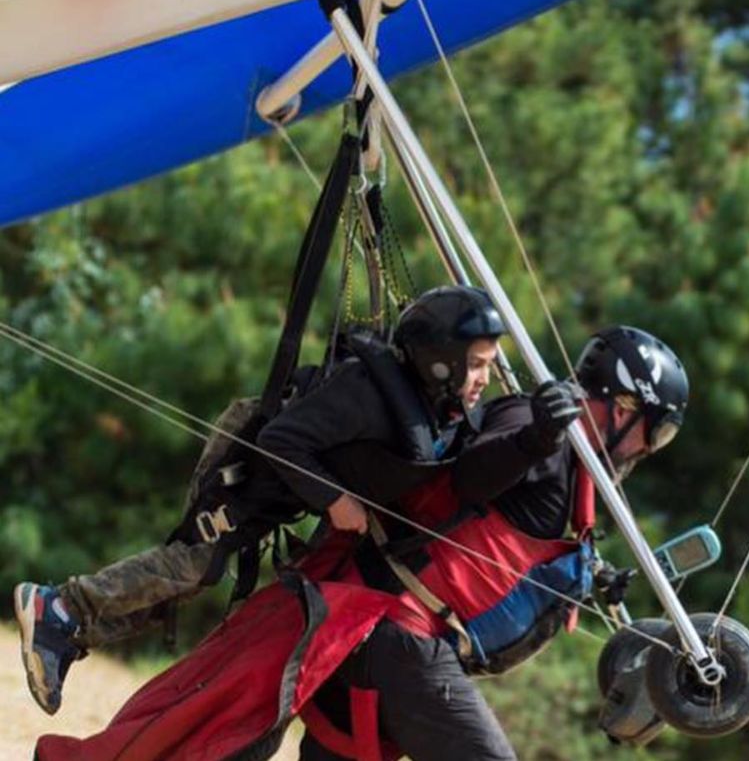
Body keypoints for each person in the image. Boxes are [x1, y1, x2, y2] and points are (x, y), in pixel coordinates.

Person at [34, 325, 689, 761]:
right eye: (651, 433)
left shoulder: (574, 472)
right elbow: (469, 474)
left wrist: (589, 576)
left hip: (389, 639)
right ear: (623, 405)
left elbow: (512, 545)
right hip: (390, 628)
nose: (646, 451)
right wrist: (533, 438)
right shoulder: (535, 424)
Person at [13, 284, 506, 716]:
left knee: (191, 579)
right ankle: (58, 609)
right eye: (477, 364)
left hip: (278, 483)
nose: (484, 377)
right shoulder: (365, 394)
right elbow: (279, 439)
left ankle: (69, 631)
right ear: (440, 359)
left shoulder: (427, 407)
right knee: (196, 565)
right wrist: (334, 499)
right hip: (249, 455)